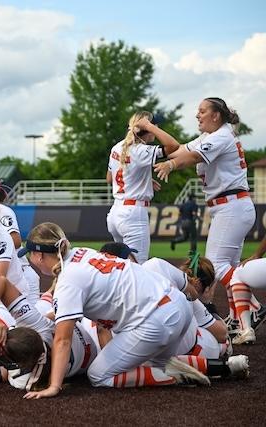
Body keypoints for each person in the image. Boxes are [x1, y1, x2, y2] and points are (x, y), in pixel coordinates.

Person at [18, 222, 211, 400]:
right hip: (179, 307)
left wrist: (54, 386)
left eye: (30, 254)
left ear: (39, 255)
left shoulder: (68, 280)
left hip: (156, 320)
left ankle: (176, 378)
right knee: (154, 365)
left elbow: (63, 340)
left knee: (98, 375)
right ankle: (221, 367)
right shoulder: (82, 252)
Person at [153, 97, 263, 345]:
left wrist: (170, 165)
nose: (197, 115)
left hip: (231, 206)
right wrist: (153, 134)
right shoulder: (210, 136)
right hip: (230, 206)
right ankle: (241, 318)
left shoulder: (221, 136)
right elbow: (181, 149)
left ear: (216, 115)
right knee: (230, 266)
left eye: (202, 111)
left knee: (218, 267)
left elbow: (190, 158)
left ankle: (252, 309)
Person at [106, 111, 180, 264]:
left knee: (120, 268)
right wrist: (150, 127)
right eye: (154, 125)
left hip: (115, 212)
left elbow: (109, 178)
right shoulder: (140, 150)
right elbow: (173, 146)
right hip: (133, 214)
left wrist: (140, 180)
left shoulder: (117, 147)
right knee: (138, 270)